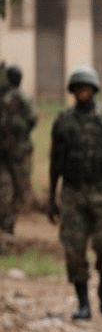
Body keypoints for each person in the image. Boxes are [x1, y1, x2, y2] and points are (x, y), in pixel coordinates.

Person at [48, 66, 102, 320]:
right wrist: (51, 198)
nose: (83, 92)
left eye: (87, 88)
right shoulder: (63, 121)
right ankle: (83, 302)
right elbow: (55, 161)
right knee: (74, 249)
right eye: (78, 88)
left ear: (94, 90)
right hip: (72, 193)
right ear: (72, 92)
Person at [1, 64, 38, 233]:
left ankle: (7, 226)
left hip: (12, 150)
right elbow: (31, 121)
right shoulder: (23, 97)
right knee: (15, 189)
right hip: (18, 151)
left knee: (10, 189)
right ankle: (8, 227)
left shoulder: (8, 97)